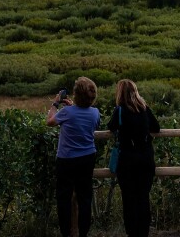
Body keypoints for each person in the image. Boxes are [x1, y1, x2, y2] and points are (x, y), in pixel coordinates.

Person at [47, 76, 100, 237]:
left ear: (76, 95)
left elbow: (49, 122)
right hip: (88, 157)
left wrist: (55, 103)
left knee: (64, 198)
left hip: (66, 160)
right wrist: (74, 107)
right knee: (85, 197)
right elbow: (91, 123)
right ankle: (83, 233)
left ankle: (66, 233)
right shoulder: (95, 113)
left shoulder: (66, 112)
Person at [108, 79, 161, 237]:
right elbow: (156, 128)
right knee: (143, 199)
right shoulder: (144, 108)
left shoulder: (120, 110)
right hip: (146, 159)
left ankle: (132, 233)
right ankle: (143, 233)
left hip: (127, 162)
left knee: (129, 201)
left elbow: (111, 127)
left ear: (120, 94)